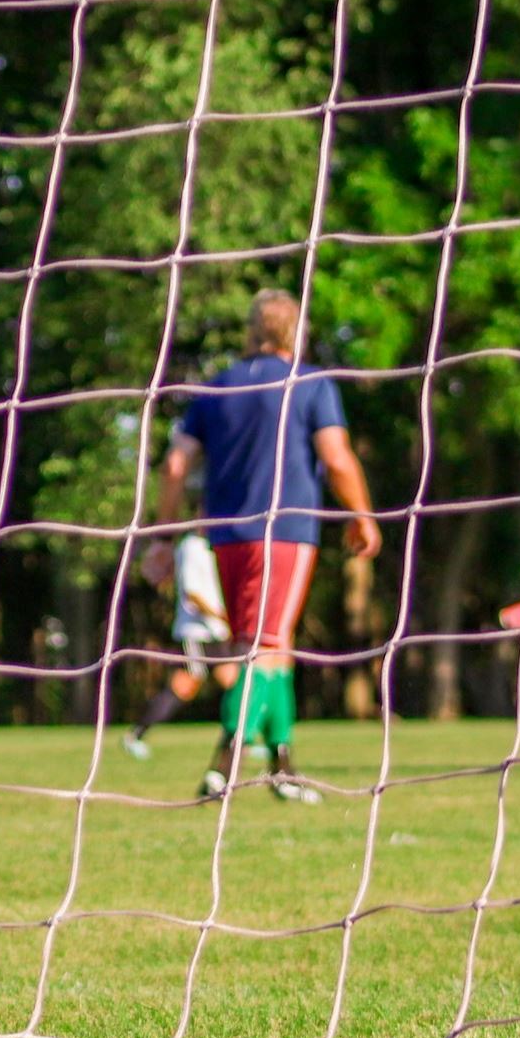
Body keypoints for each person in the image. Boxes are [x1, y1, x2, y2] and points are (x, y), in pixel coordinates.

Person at [160, 291, 380, 804]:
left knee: (272, 649)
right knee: (263, 649)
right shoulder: (309, 383)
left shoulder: (216, 387)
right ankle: (222, 766)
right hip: (283, 532)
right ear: (294, 333)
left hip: (226, 536)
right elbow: (338, 456)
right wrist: (362, 515)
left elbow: (175, 465)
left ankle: (282, 767)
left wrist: (163, 533)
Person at [125, 530, 228, 760]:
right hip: (197, 632)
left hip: (215, 633)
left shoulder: (215, 544)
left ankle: (244, 738)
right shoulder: (191, 546)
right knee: (184, 687)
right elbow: (192, 594)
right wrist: (223, 617)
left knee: (237, 682)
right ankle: (136, 734)